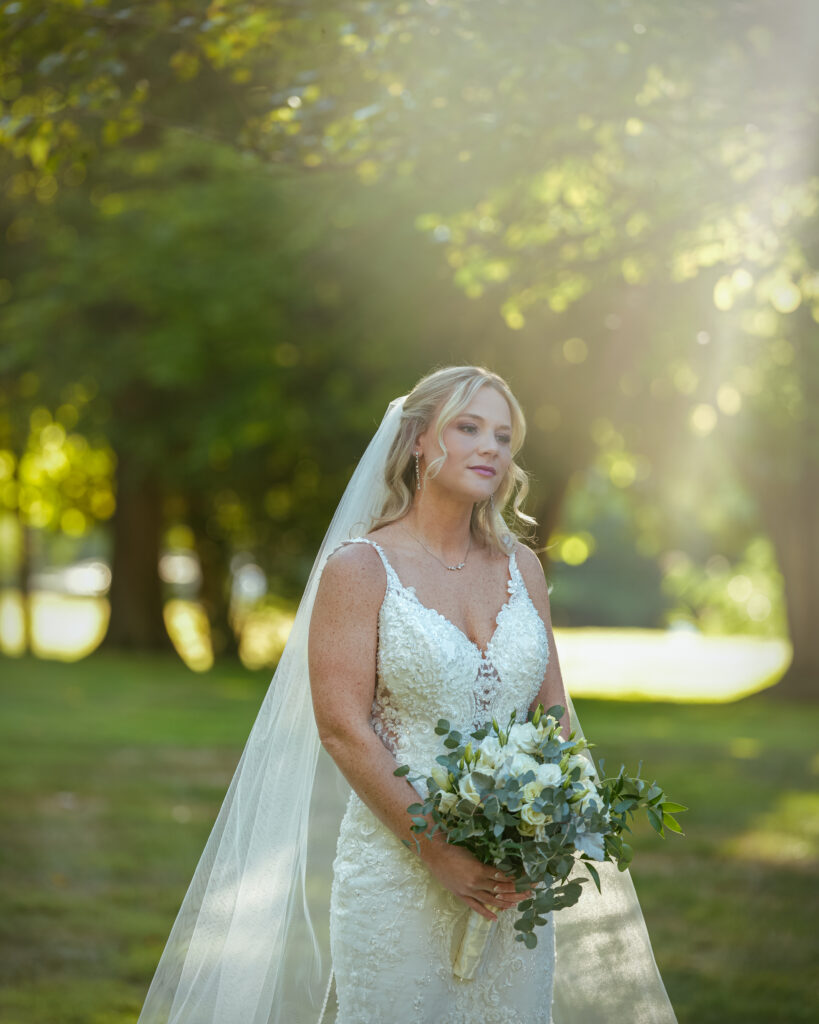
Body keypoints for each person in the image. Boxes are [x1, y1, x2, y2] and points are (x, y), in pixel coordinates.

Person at [137, 365, 678, 1024]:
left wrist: (551, 830)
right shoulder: (360, 568)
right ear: (420, 440)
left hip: (512, 884)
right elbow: (341, 728)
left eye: (503, 437)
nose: (490, 448)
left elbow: (552, 710)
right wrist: (441, 855)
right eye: (468, 427)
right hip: (397, 871)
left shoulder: (522, 567)